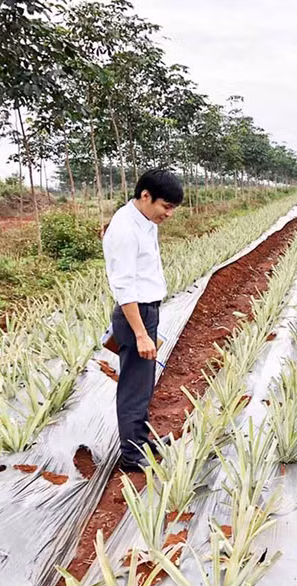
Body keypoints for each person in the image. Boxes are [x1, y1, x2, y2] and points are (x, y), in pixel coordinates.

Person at [103, 169, 183, 472]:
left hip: (146, 309)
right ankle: (131, 455)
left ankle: (141, 439)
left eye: (173, 208)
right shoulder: (126, 228)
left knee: (143, 384)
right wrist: (140, 333)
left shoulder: (144, 220)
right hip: (134, 312)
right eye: (166, 206)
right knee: (134, 388)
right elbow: (123, 286)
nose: (169, 214)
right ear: (145, 196)